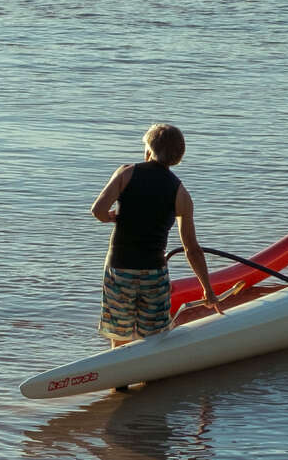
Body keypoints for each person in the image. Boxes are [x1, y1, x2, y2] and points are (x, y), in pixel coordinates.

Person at [89, 122, 221, 349]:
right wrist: (207, 289)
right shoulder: (181, 193)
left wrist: (113, 217)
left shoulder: (126, 173)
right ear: (178, 157)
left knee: (119, 335)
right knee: (154, 340)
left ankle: (119, 382)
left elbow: (98, 211)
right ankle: (150, 377)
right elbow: (191, 248)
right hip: (154, 273)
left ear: (148, 149)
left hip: (120, 268)